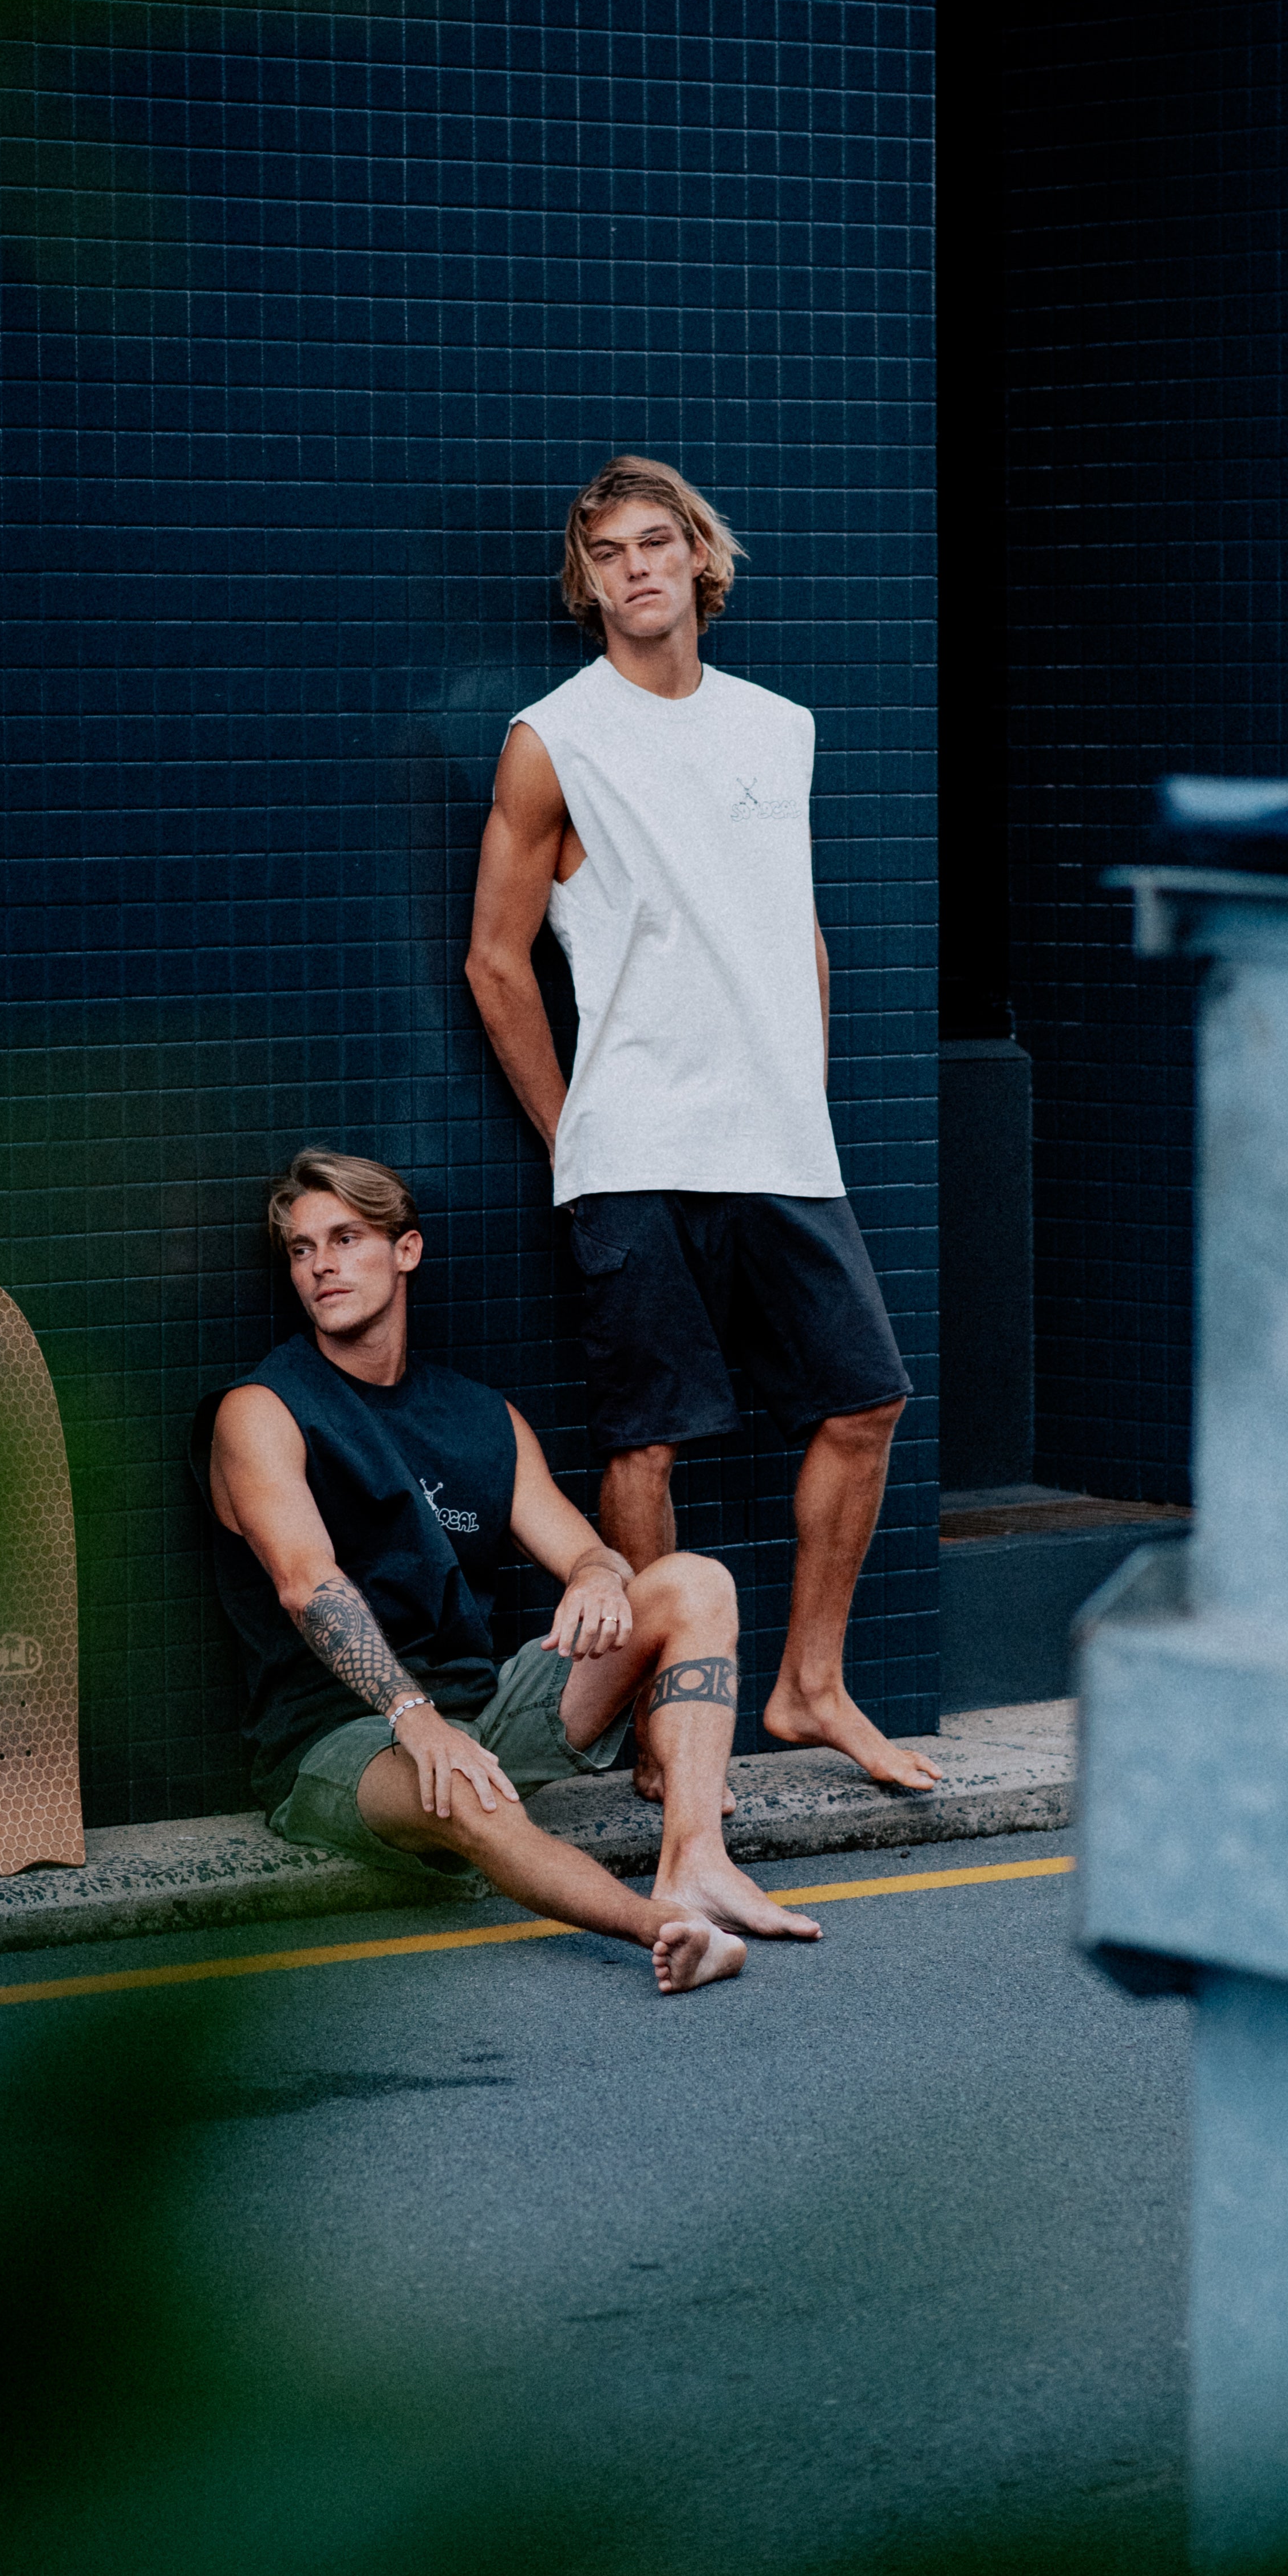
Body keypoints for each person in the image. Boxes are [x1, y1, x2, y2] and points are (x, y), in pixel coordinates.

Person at [465, 452, 941, 1797]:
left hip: (776, 1138)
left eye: (656, 543)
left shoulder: (777, 727)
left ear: (699, 561)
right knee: (649, 1441)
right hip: (635, 1148)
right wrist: (576, 1137)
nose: (635, 568)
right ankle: (677, 1745)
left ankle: (807, 1686)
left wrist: (803, 1077)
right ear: (588, 582)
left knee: (868, 1399)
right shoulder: (553, 739)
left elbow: (796, 926)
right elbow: (496, 963)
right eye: (608, 552)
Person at [192, 1146, 824, 1995]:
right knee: (468, 1795)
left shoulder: (481, 1416)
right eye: (303, 1250)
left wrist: (599, 1574)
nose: (322, 1266)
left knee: (693, 1584)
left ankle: (696, 1864)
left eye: (345, 1239)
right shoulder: (261, 1411)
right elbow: (308, 1582)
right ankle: (664, 1928)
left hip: (480, 1708)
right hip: (336, 1739)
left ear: (405, 1250)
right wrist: (414, 1718)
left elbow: (583, 1549)